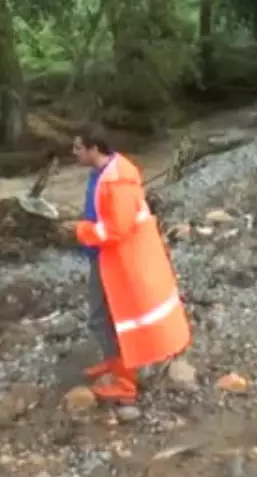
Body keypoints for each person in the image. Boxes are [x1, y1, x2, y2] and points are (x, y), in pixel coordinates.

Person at [71, 124, 191, 402]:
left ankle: (125, 381)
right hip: (105, 257)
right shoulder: (102, 173)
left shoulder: (117, 180)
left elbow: (116, 229)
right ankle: (113, 362)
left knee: (107, 316)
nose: (73, 153)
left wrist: (79, 231)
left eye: (78, 147)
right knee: (104, 315)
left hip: (118, 260)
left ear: (93, 149)